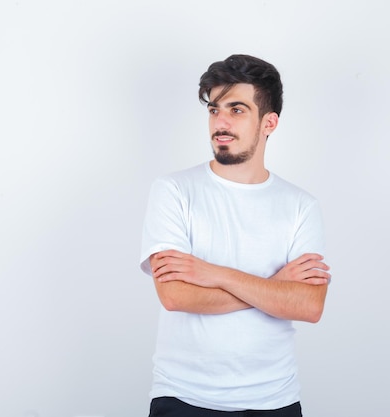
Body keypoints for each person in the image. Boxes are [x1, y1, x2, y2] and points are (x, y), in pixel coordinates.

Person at [139, 54, 331, 417]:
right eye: (214, 110)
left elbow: (308, 306)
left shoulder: (301, 205)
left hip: (275, 399)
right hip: (184, 398)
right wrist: (275, 288)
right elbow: (176, 295)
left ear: (268, 123)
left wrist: (215, 274)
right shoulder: (173, 191)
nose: (220, 122)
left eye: (237, 109)